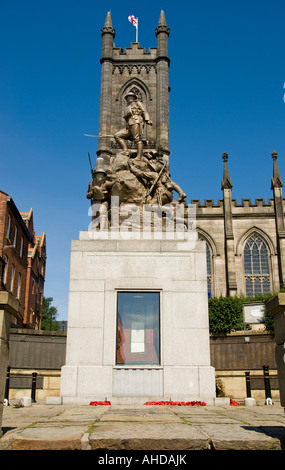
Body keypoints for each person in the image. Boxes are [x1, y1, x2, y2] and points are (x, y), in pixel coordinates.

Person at [114, 92, 153, 159]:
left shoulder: (138, 103)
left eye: (130, 97)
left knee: (137, 139)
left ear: (133, 97)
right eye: (127, 97)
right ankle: (125, 150)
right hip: (129, 125)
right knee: (117, 135)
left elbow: (144, 111)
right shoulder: (127, 107)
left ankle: (138, 156)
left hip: (136, 121)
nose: (129, 98)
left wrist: (147, 120)